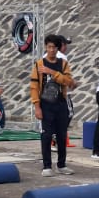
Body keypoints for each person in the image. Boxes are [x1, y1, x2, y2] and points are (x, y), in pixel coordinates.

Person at [31, 34, 76, 175]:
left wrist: (52, 72)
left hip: (61, 104)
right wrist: (37, 107)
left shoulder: (63, 64)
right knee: (46, 135)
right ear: (46, 47)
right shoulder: (39, 64)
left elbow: (69, 82)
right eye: (48, 47)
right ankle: (47, 166)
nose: (51, 50)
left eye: (53, 47)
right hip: (46, 104)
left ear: (58, 49)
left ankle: (61, 165)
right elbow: (33, 87)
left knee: (62, 135)